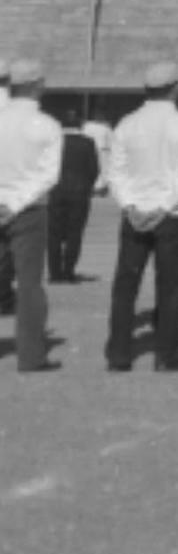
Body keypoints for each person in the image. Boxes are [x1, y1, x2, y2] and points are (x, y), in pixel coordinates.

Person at [105, 63, 178, 372]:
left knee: (125, 285)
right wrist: (163, 205)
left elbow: (115, 171)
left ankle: (119, 355)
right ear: (175, 88)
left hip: (135, 214)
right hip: (170, 215)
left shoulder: (127, 123)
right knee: (171, 286)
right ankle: (167, 355)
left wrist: (130, 204)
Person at [0, 61, 62, 371]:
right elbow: (48, 175)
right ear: (37, 86)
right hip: (27, 211)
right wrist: (15, 202)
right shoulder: (46, 124)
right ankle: (31, 355)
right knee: (29, 284)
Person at [48, 107, 100, 283]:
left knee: (53, 233)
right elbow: (94, 169)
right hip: (79, 192)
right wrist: (88, 186)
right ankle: (68, 271)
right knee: (74, 233)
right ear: (80, 123)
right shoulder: (87, 143)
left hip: (55, 191)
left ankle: (55, 273)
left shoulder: (54, 141)